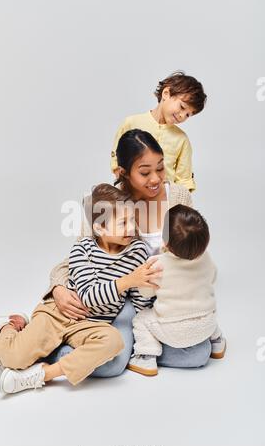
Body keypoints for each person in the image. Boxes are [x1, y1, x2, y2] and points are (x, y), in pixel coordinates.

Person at [0, 183, 161, 395]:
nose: (131, 228)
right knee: (15, 358)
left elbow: (140, 297)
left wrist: (148, 291)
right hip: (58, 315)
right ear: (99, 228)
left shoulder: (138, 251)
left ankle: (43, 374)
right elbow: (87, 297)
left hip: (91, 324)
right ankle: (8, 328)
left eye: (133, 219)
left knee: (114, 341)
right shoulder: (82, 249)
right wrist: (130, 280)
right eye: (123, 222)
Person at [47, 129, 212, 375]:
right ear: (123, 173)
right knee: (112, 365)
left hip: (164, 301)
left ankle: (131, 347)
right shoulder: (108, 204)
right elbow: (79, 255)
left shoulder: (178, 196)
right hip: (117, 300)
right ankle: (55, 348)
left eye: (160, 167)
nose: (155, 178)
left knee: (198, 354)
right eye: (145, 172)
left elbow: (191, 250)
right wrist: (58, 288)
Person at [128, 204, 226, 377]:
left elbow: (145, 293)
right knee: (204, 306)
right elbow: (213, 277)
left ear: (164, 242)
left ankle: (146, 357)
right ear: (205, 241)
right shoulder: (207, 258)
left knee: (141, 319)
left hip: (172, 330)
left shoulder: (157, 263)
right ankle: (217, 342)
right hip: (207, 326)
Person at [110, 72, 207, 192]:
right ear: (166, 94)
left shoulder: (182, 139)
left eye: (188, 114)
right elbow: (116, 162)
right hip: (131, 196)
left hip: (164, 200)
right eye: (182, 107)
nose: (182, 115)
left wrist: (178, 203)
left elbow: (184, 179)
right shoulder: (131, 123)